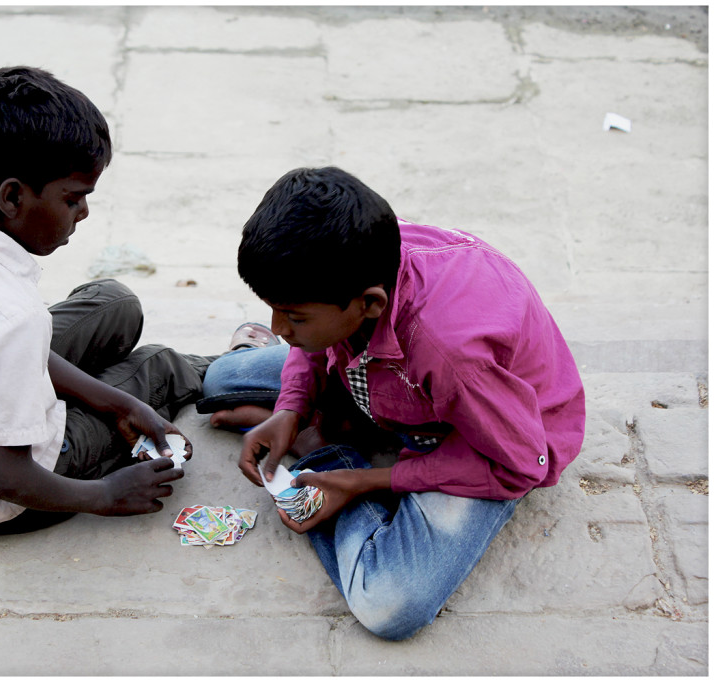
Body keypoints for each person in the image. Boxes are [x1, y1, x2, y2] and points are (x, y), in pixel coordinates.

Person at [201, 166, 586, 640]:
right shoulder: (353, 251)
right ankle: (323, 424)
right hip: (387, 381)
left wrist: (358, 481)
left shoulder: (452, 357)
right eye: (274, 309)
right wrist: (290, 406)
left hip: (477, 439)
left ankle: (330, 449)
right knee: (221, 379)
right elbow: (306, 348)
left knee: (388, 604)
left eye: (294, 316)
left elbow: (525, 464)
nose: (280, 328)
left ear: (370, 304)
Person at [0, 66, 223, 535]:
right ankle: (231, 368)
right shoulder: (11, 321)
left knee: (114, 302)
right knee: (155, 364)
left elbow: (1, 347)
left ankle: (123, 393)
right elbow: (6, 478)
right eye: (73, 199)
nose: (85, 211)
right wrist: (107, 495)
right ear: (12, 197)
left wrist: (116, 404)